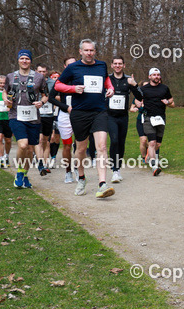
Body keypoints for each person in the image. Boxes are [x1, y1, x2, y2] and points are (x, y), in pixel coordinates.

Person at [55, 41, 116, 198]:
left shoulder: (102, 65)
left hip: (99, 111)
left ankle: (102, 184)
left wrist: (110, 89)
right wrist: (73, 89)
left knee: (101, 146)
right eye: (86, 50)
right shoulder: (73, 68)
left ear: (95, 51)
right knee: (81, 149)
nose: (89, 53)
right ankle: (81, 177)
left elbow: (106, 80)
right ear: (80, 51)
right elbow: (58, 85)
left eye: (92, 50)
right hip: (80, 113)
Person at [5, 51, 49, 188]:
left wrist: (41, 102)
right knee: (23, 145)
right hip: (15, 115)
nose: (24, 61)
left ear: (31, 61)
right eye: (22, 58)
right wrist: (6, 100)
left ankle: (24, 174)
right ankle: (19, 173)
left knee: (30, 150)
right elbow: (4, 92)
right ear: (18, 60)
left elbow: (45, 95)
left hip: (33, 117)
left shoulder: (39, 77)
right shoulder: (10, 76)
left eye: (27, 58)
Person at [107, 56, 141, 183]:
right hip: (110, 116)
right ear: (111, 65)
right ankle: (114, 170)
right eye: (115, 63)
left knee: (121, 142)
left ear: (124, 65)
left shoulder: (128, 79)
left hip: (123, 116)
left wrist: (135, 85)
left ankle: (118, 168)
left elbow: (139, 96)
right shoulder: (108, 79)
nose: (117, 65)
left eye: (120, 63)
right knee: (114, 140)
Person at [138, 68, 173, 176]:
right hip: (148, 118)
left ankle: (150, 154)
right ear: (149, 77)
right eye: (154, 75)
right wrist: (139, 104)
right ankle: (154, 166)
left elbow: (171, 99)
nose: (156, 77)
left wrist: (167, 102)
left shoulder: (164, 88)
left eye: (158, 75)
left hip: (161, 118)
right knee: (152, 142)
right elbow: (136, 100)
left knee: (157, 144)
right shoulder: (143, 89)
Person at [49, 60, 77, 183]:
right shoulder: (60, 81)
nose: (71, 66)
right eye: (69, 64)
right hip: (65, 115)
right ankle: (68, 172)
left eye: (74, 63)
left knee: (80, 144)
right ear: (65, 66)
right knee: (67, 144)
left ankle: (78, 169)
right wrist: (65, 107)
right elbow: (50, 98)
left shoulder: (80, 78)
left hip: (80, 115)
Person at [34, 64, 55, 175]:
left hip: (48, 114)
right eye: (39, 71)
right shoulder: (32, 82)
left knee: (47, 140)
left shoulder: (52, 83)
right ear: (36, 71)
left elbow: (58, 96)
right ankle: (40, 163)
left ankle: (45, 164)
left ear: (46, 72)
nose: (42, 73)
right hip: (36, 114)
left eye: (44, 71)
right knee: (40, 139)